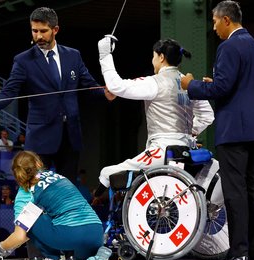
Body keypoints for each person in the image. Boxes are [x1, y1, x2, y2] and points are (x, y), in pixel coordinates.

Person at [181, 0, 254, 260]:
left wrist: (192, 85)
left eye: (214, 21)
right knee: (253, 189)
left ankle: (238, 253)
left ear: (226, 20)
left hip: (235, 130)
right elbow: (243, 87)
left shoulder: (229, 46)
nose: (213, 27)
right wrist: (217, 85)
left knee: (235, 191)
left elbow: (222, 89)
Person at [0, 7, 114, 183]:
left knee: (67, 190)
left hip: (70, 136)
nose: (38, 36)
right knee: (34, 190)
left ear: (55, 30)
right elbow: (8, 93)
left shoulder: (73, 55)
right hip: (39, 138)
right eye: (34, 31)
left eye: (43, 31)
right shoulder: (22, 60)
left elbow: (89, 86)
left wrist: (106, 93)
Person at [92, 37, 214, 198]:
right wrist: (189, 133)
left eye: (154, 56)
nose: (153, 60)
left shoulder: (154, 82)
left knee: (107, 173)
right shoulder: (189, 83)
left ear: (161, 57)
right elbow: (207, 116)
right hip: (188, 150)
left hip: (163, 151)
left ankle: (94, 205)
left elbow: (117, 86)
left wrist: (104, 54)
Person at [0, 150, 111, 260]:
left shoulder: (26, 192)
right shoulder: (58, 177)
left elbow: (20, 236)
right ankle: (98, 253)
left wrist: (0, 248)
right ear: (38, 163)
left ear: (16, 174)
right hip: (96, 230)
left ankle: (53, 258)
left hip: (72, 234)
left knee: (28, 219)